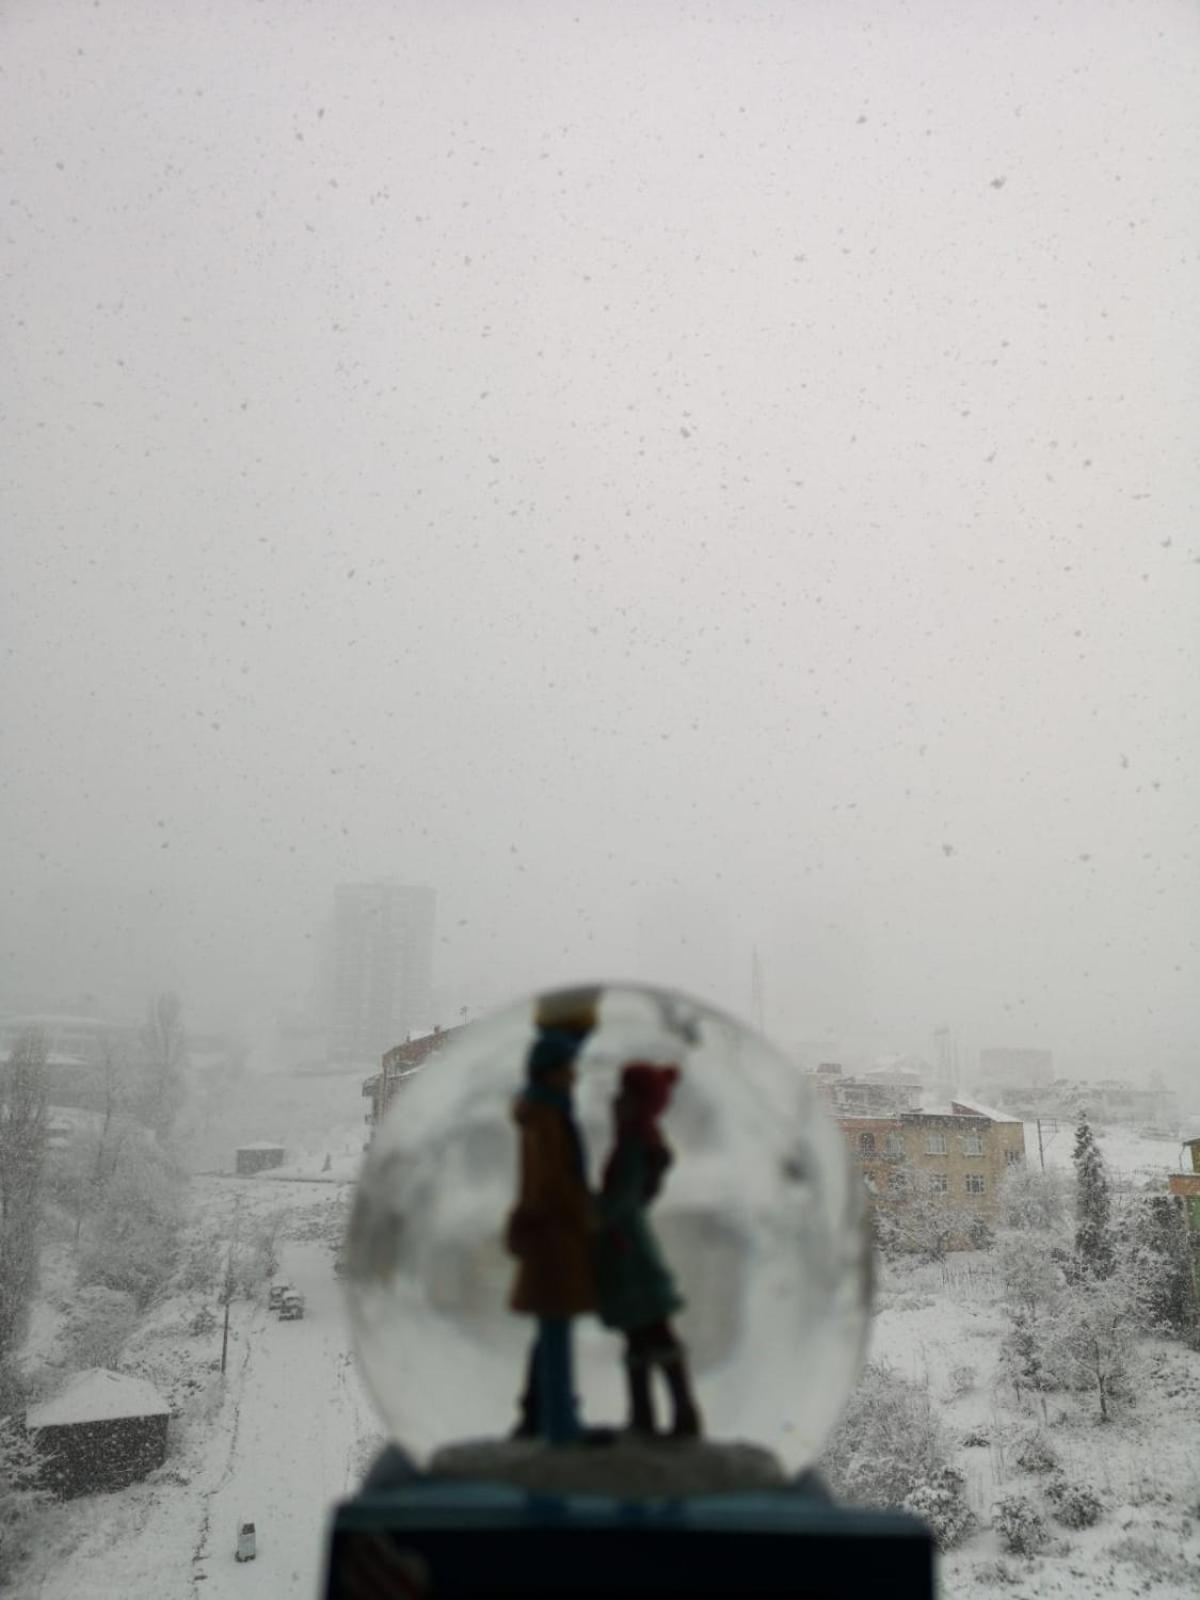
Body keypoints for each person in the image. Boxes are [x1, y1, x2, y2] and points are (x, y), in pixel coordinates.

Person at [595, 1062, 702, 1440]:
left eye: (623, 1095)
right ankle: (646, 1417)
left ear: (636, 1102)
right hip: (623, 1247)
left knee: (653, 1332)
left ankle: (679, 1417)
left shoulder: (635, 1143)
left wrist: (591, 1212)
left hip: (629, 1253)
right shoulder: (638, 1140)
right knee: (640, 1336)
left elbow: (621, 1198)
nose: (615, 1101)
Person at [505, 1009, 598, 1445]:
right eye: (568, 1070)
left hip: (554, 1236)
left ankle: (535, 1416)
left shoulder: (547, 1110)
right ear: (551, 1072)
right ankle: (558, 1428)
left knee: (552, 1332)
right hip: (554, 1239)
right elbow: (551, 1183)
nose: (574, 1077)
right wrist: (586, 1212)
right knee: (555, 1333)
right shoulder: (546, 1116)